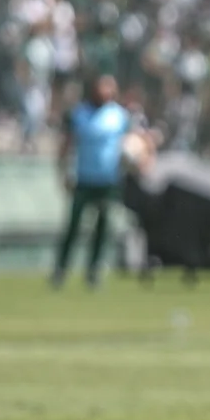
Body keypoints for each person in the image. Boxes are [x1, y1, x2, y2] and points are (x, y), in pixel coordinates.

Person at [53, 73, 129, 288]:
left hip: (108, 180)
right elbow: (67, 144)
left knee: (102, 228)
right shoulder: (79, 114)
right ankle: (61, 269)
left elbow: (131, 142)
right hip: (84, 178)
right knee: (73, 227)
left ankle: (93, 271)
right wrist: (63, 172)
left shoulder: (119, 116)